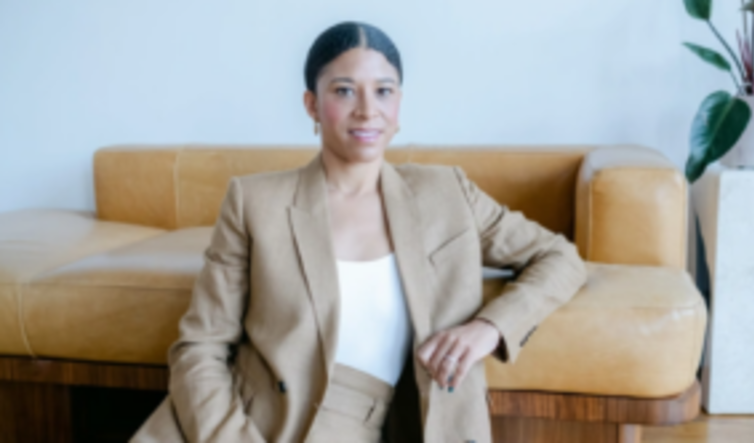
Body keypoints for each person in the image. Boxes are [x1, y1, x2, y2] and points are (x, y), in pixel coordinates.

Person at [132, 21, 587, 443]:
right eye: (345, 91)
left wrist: (490, 328)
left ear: (399, 103)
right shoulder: (254, 202)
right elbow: (199, 348)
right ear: (312, 104)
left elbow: (559, 257)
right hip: (245, 424)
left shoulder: (448, 194)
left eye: (383, 91)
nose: (368, 111)